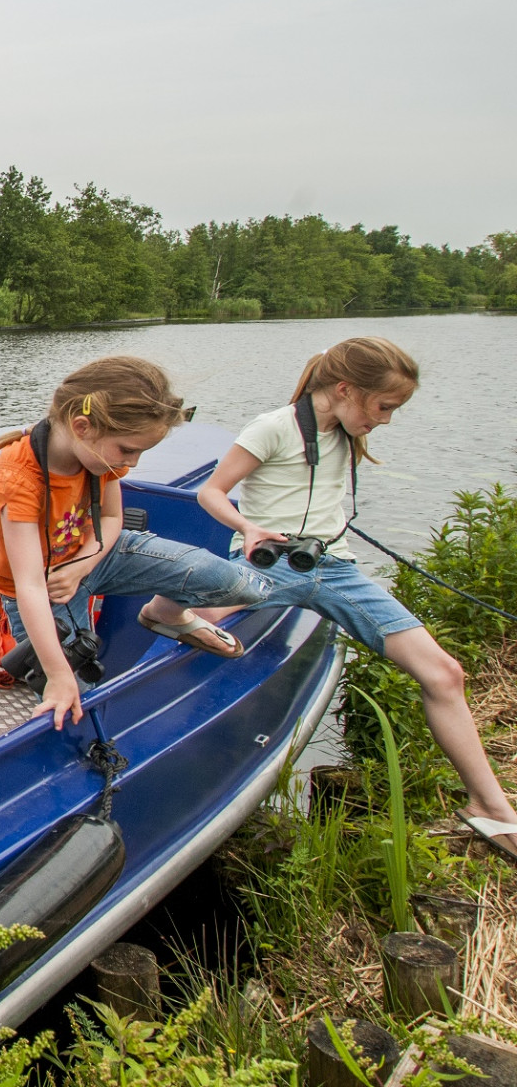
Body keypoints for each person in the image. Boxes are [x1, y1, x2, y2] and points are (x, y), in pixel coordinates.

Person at [196, 337, 517, 858]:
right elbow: (210, 492)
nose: (386, 420)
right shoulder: (274, 427)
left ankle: (490, 807)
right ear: (345, 389)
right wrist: (249, 528)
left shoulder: (344, 431)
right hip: (272, 562)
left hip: (335, 569)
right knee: (177, 617)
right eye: (384, 406)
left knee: (445, 673)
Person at [0, 356, 270, 731]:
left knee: (236, 584)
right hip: (43, 588)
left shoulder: (99, 453)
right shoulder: (16, 478)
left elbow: (111, 518)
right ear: (81, 427)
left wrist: (83, 565)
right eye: (128, 450)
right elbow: (30, 585)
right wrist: (57, 673)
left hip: (98, 554)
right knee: (77, 705)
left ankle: (166, 614)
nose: (131, 463)